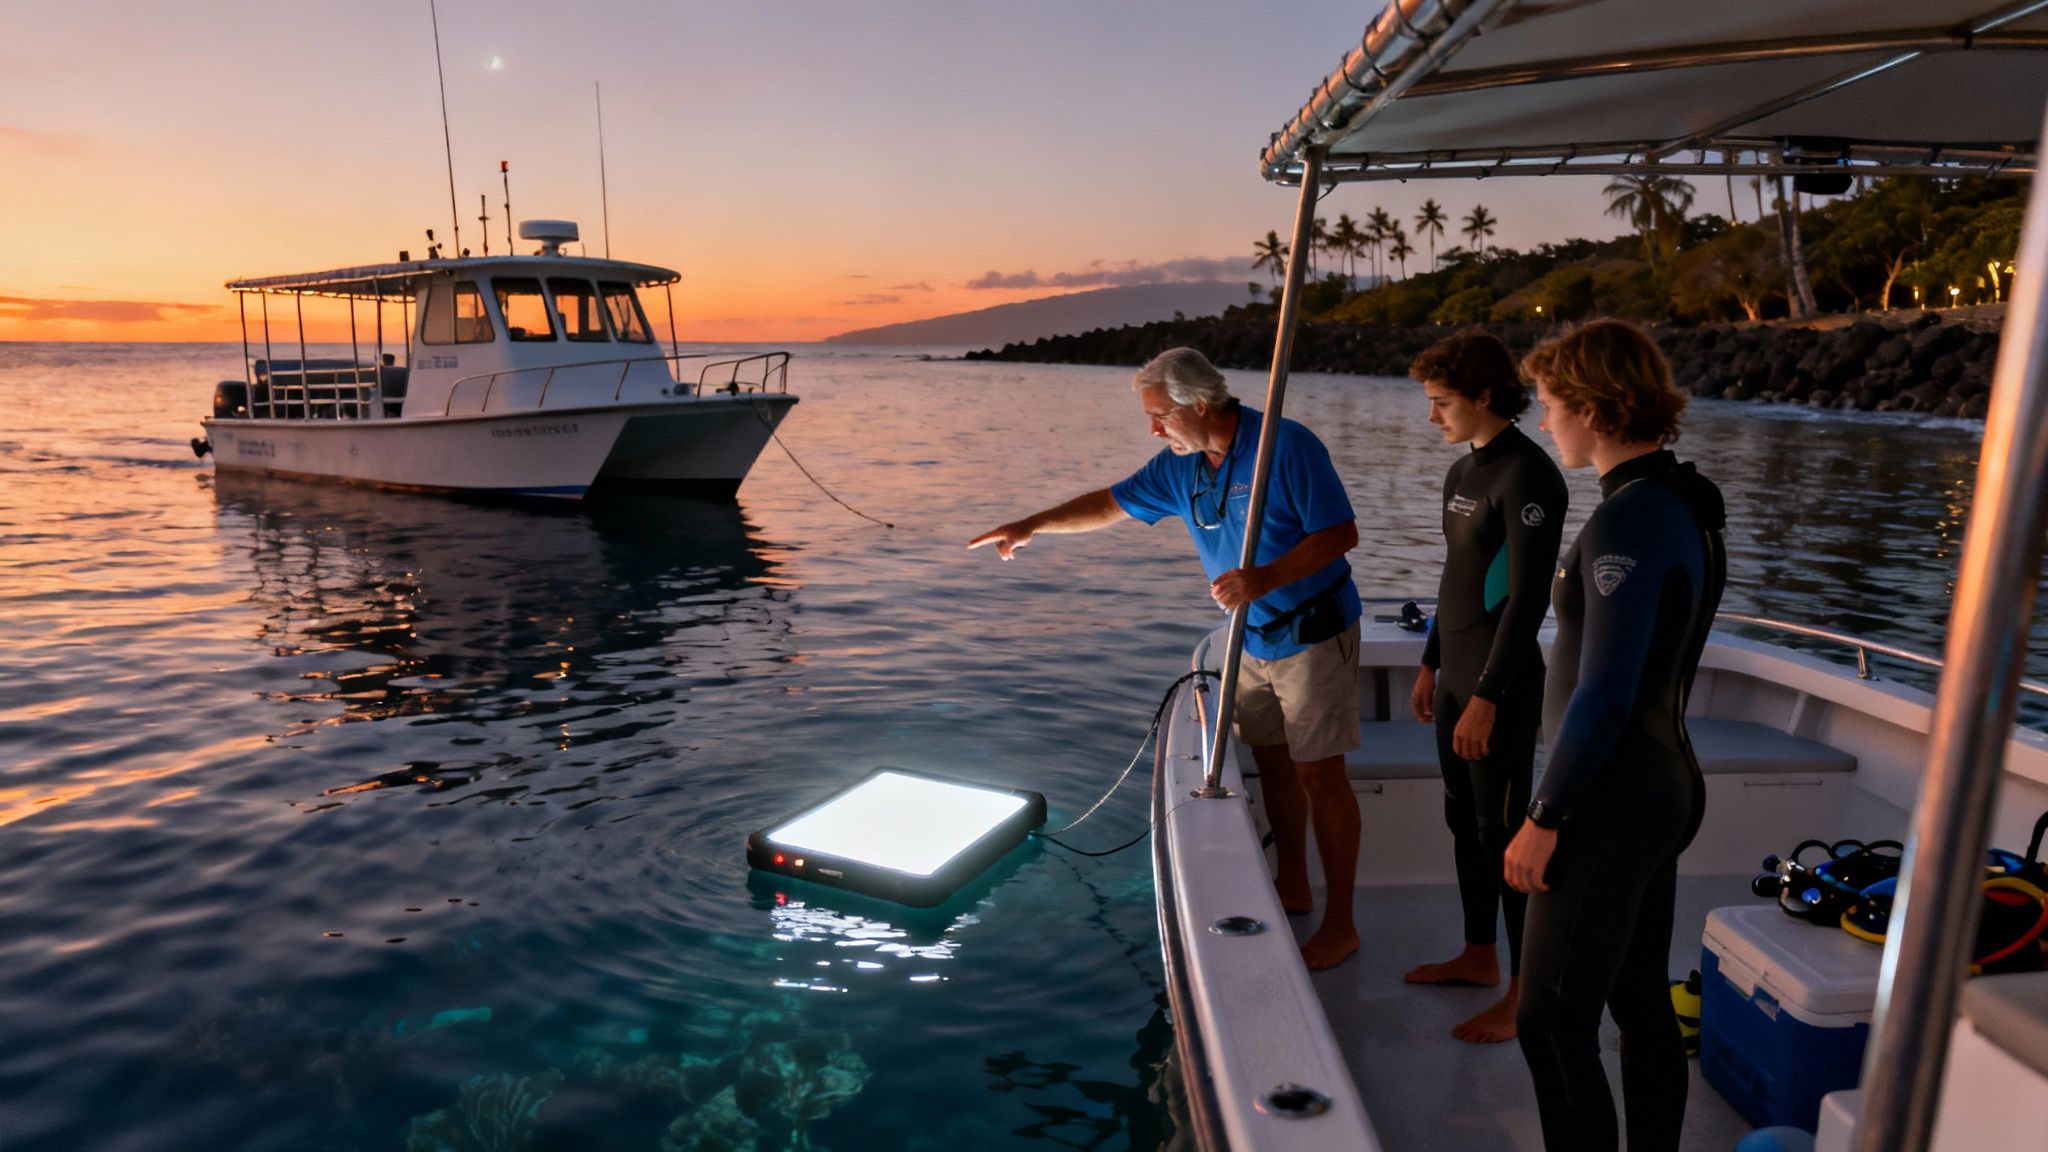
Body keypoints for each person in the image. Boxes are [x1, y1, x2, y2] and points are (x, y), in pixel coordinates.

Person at [968, 347, 1365, 969]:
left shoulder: (1283, 446)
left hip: (1311, 633)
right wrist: (1031, 525)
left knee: (1321, 775)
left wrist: (1263, 577)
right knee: (1275, 763)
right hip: (1246, 637)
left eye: (1160, 416)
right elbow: (1110, 503)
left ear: (1199, 405)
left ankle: (1341, 924)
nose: (1153, 428)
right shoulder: (1181, 467)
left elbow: (1340, 535)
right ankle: (1294, 884)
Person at [1504, 320, 1727, 1152]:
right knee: (1638, 1002)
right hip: (1658, 782)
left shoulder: (1628, 521)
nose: (1543, 419)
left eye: (1551, 403)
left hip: (1610, 795)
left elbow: (1603, 689)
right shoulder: (1678, 502)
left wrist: (1545, 814)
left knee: (1549, 1021)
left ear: (1595, 409)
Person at [1402, 331, 1566, 1044]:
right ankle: (1477, 957)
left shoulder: (1530, 476)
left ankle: (1528, 996)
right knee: (1462, 824)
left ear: (1485, 397)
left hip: (1497, 686)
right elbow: (1455, 580)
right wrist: (1432, 663)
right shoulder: (1463, 472)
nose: (1432, 418)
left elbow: (1527, 601)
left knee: (1503, 835)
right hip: (1455, 678)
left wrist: (1488, 695)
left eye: (1442, 404)